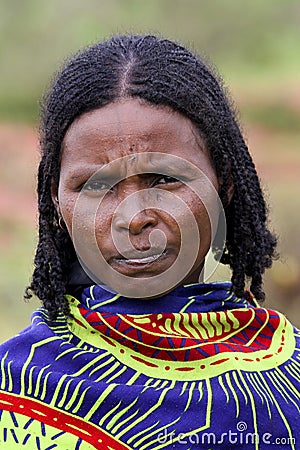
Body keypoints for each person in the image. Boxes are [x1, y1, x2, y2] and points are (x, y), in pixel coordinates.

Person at [0, 34, 298, 450]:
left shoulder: (289, 379)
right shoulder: (13, 385)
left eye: (164, 180)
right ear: (56, 198)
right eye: (93, 186)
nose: (134, 218)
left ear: (224, 182)